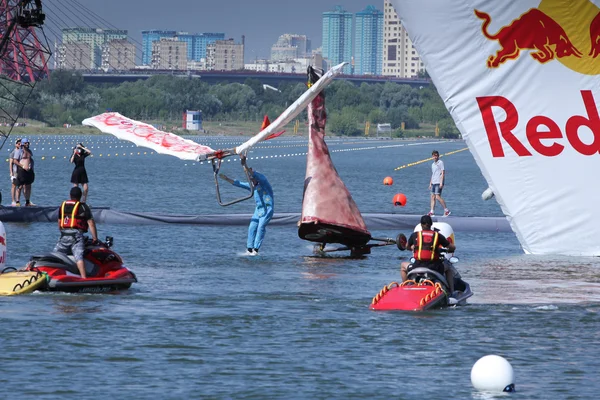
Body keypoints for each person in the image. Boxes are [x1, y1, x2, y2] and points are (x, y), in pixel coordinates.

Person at [219, 162, 274, 255]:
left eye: (252, 178)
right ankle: (249, 249)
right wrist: (227, 179)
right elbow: (239, 184)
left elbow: (257, 176)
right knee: (252, 227)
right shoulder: (252, 186)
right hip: (258, 210)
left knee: (260, 227)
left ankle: (256, 250)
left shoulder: (264, 183)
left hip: (267, 209)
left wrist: (245, 166)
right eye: (250, 179)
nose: (251, 180)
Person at [400, 215, 457, 293]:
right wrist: (449, 249)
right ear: (431, 225)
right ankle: (452, 291)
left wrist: (414, 248)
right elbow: (452, 247)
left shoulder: (415, 235)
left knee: (403, 266)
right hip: (435, 267)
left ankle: (405, 288)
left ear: (421, 225)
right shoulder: (438, 235)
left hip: (417, 266)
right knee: (449, 268)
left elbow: (407, 247)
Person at [53, 187, 99, 279]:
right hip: (76, 236)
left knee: (55, 255)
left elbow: (59, 221)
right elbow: (91, 223)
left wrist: (63, 232)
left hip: (63, 235)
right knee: (79, 257)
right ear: (81, 196)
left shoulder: (63, 205)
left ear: (70, 196)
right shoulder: (83, 207)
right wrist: (95, 238)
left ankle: (52, 274)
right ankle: (83, 278)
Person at [429, 150, 450, 217]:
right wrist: (430, 183)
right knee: (432, 197)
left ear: (438, 156)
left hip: (438, 182)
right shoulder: (432, 164)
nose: (435, 157)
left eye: (436, 156)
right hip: (433, 182)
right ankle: (432, 212)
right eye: (434, 156)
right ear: (432, 156)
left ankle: (446, 210)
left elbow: (443, 172)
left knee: (437, 197)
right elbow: (433, 174)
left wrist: (441, 182)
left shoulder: (440, 163)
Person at [15, 138, 35, 206]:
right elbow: (15, 161)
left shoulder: (30, 151)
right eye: (26, 143)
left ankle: (27, 201)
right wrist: (23, 166)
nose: (27, 144)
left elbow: (31, 160)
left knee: (28, 186)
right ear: (23, 144)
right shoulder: (19, 152)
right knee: (20, 187)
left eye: (28, 143)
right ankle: (17, 201)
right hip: (21, 170)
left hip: (29, 171)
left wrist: (32, 168)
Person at [9, 138, 22, 206]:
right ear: (15, 144)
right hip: (15, 171)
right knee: (14, 185)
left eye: (20, 143)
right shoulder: (13, 152)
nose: (19, 145)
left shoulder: (22, 151)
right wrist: (11, 173)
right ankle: (13, 200)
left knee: (20, 186)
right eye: (18, 143)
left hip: (21, 172)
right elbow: (11, 163)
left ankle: (18, 200)